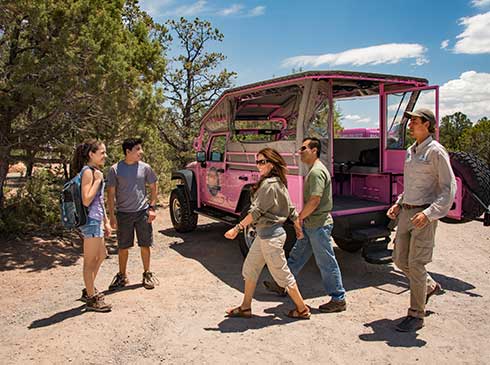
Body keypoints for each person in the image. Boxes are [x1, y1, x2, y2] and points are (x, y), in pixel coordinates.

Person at [387, 108, 456, 332]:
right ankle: (428, 285)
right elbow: (411, 186)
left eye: (414, 121)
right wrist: (399, 203)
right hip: (407, 212)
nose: (410, 124)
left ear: (427, 124)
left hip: (423, 216)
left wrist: (428, 214)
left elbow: (448, 189)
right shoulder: (411, 151)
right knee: (399, 260)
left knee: (416, 264)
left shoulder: (436, 151)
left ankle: (416, 315)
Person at [224, 148, 311, 319]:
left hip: (271, 237)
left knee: (282, 275)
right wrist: (297, 226)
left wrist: (237, 228)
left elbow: (255, 212)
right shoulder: (278, 182)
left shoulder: (269, 185)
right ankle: (245, 307)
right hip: (265, 235)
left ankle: (302, 309)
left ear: (271, 164)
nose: (259, 165)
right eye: (257, 161)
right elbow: (291, 207)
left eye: (262, 162)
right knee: (250, 268)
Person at [264, 137, 347, 313]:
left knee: (326, 262)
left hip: (318, 225)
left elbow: (315, 200)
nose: (299, 152)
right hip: (312, 224)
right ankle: (283, 285)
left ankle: (338, 298)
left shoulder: (316, 172)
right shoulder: (313, 170)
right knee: (297, 256)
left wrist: (300, 218)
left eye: (303, 148)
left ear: (314, 150)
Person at [107, 138, 159, 290]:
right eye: (138, 149)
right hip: (123, 214)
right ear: (128, 151)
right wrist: (111, 216)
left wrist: (152, 207)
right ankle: (122, 276)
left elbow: (154, 187)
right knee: (123, 247)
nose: (141, 152)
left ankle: (147, 274)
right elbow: (110, 194)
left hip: (142, 212)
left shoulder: (145, 168)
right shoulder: (115, 169)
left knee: (145, 244)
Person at [72, 139, 112, 312]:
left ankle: (89, 288)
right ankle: (91, 298)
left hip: (97, 221)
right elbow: (87, 200)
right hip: (90, 222)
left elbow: (99, 201)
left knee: (102, 255)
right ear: (91, 154)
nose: (105, 156)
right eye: (102, 152)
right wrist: (97, 180)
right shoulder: (89, 172)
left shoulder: (95, 172)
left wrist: (106, 221)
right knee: (89, 261)